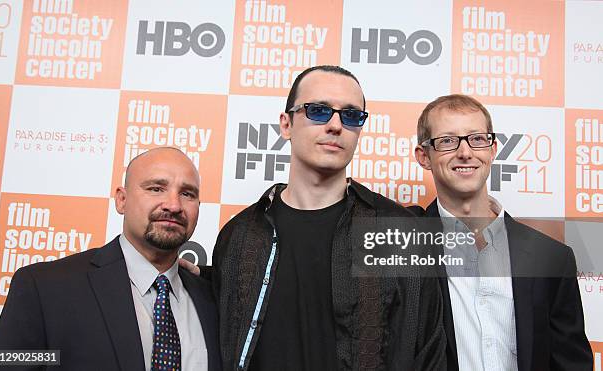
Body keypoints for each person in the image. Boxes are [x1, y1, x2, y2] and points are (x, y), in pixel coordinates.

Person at [211, 65, 446, 370]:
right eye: (318, 110)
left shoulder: (398, 233)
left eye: (351, 116)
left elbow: (428, 354)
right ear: (286, 125)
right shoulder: (239, 236)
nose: (335, 125)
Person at [0, 147, 221, 370]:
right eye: (155, 189)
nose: (173, 205)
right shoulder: (44, 287)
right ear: (122, 200)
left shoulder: (215, 301)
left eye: (187, 194)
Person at [412, 94, 592, 370]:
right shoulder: (405, 247)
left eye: (477, 138)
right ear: (424, 156)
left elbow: (571, 363)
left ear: (492, 150)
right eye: (447, 140)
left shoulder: (551, 258)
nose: (465, 152)